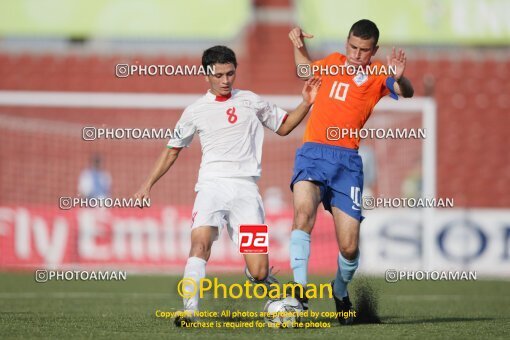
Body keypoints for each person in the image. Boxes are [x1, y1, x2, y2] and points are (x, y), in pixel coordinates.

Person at [133, 46, 320, 326]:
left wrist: (306, 102)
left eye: (230, 73)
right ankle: (190, 311)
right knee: (200, 244)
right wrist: (146, 185)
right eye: (218, 75)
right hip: (211, 187)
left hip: (246, 191)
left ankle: (261, 281)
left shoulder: (251, 101)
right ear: (207, 74)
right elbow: (172, 149)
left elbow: (284, 126)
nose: (225, 80)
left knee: (259, 273)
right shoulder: (195, 111)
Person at [287, 19, 414, 325]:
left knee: (349, 246)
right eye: (353, 47)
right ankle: (299, 292)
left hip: (347, 163)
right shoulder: (331, 63)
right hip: (314, 152)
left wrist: (402, 77)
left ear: (375, 50)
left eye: (364, 50)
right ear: (347, 43)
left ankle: (340, 290)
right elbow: (304, 70)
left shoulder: (378, 74)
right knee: (303, 212)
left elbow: (404, 91)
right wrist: (298, 45)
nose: (357, 54)